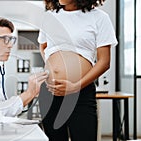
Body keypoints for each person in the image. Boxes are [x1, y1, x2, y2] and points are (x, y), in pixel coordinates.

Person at [37, 0, 118, 141]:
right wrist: (52, 68)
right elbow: (43, 47)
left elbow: (104, 62)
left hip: (81, 92)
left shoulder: (99, 18)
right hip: (50, 92)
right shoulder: (49, 17)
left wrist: (76, 85)